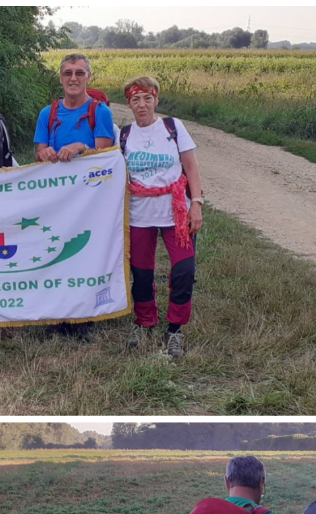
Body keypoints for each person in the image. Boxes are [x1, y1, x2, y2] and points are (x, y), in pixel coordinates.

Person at [120, 76, 204, 360]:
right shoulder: (125, 134)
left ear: (156, 99)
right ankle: (144, 322)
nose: (141, 104)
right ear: (129, 104)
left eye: (147, 98)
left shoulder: (172, 127)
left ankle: (175, 328)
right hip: (139, 213)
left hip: (175, 211)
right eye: (135, 99)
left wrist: (197, 204)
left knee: (184, 271)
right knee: (141, 274)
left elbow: (191, 168)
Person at [35, 54, 115, 343]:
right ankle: (58, 315)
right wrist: (44, 153)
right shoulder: (49, 112)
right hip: (56, 199)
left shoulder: (100, 112)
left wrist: (82, 145)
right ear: (60, 77)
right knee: (56, 252)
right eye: (68, 72)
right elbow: (39, 151)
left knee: (85, 254)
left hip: (90, 199)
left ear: (88, 78)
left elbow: (106, 155)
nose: (73, 78)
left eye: (80, 73)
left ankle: (83, 316)